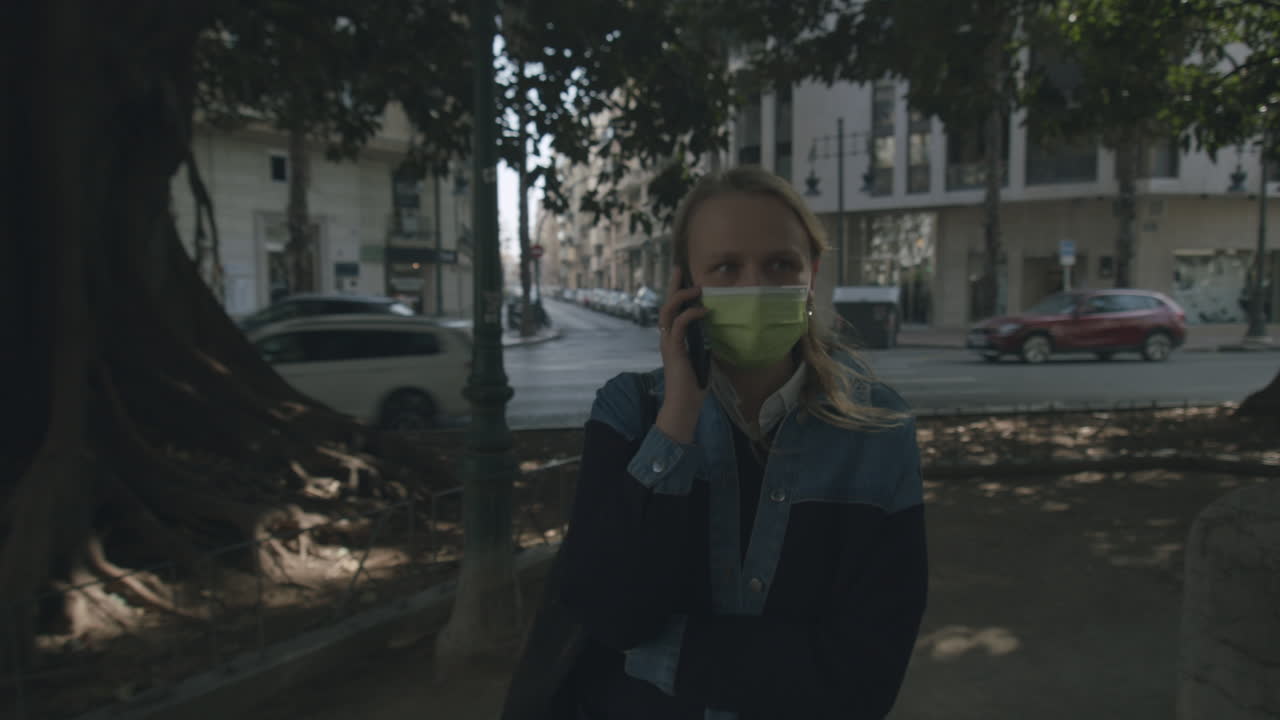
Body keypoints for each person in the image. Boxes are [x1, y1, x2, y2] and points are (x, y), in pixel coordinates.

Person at [556, 166, 927, 720]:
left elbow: (864, 678)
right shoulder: (629, 413)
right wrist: (677, 418)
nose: (755, 286)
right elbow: (611, 616)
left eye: (780, 264)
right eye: (726, 267)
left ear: (811, 275)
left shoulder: (879, 429)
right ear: (685, 284)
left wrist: (673, 656)